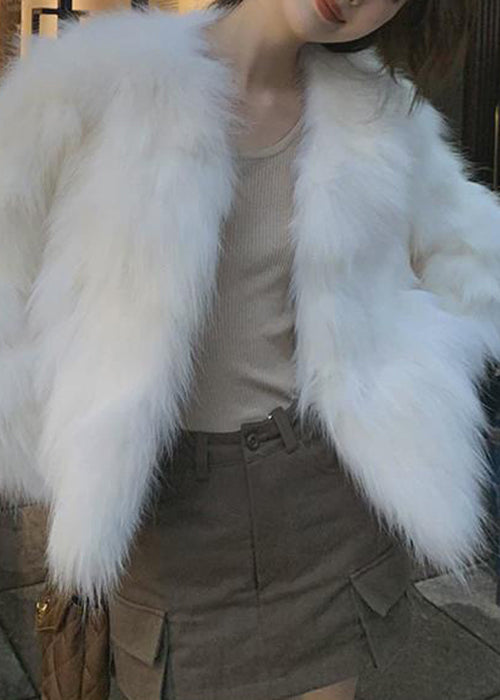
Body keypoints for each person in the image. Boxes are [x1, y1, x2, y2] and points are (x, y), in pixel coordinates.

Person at [1, 0, 499, 699]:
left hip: (323, 498)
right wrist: (68, 444)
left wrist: (414, 377)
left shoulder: (380, 115)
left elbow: (471, 265)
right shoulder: (89, 85)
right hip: (169, 516)